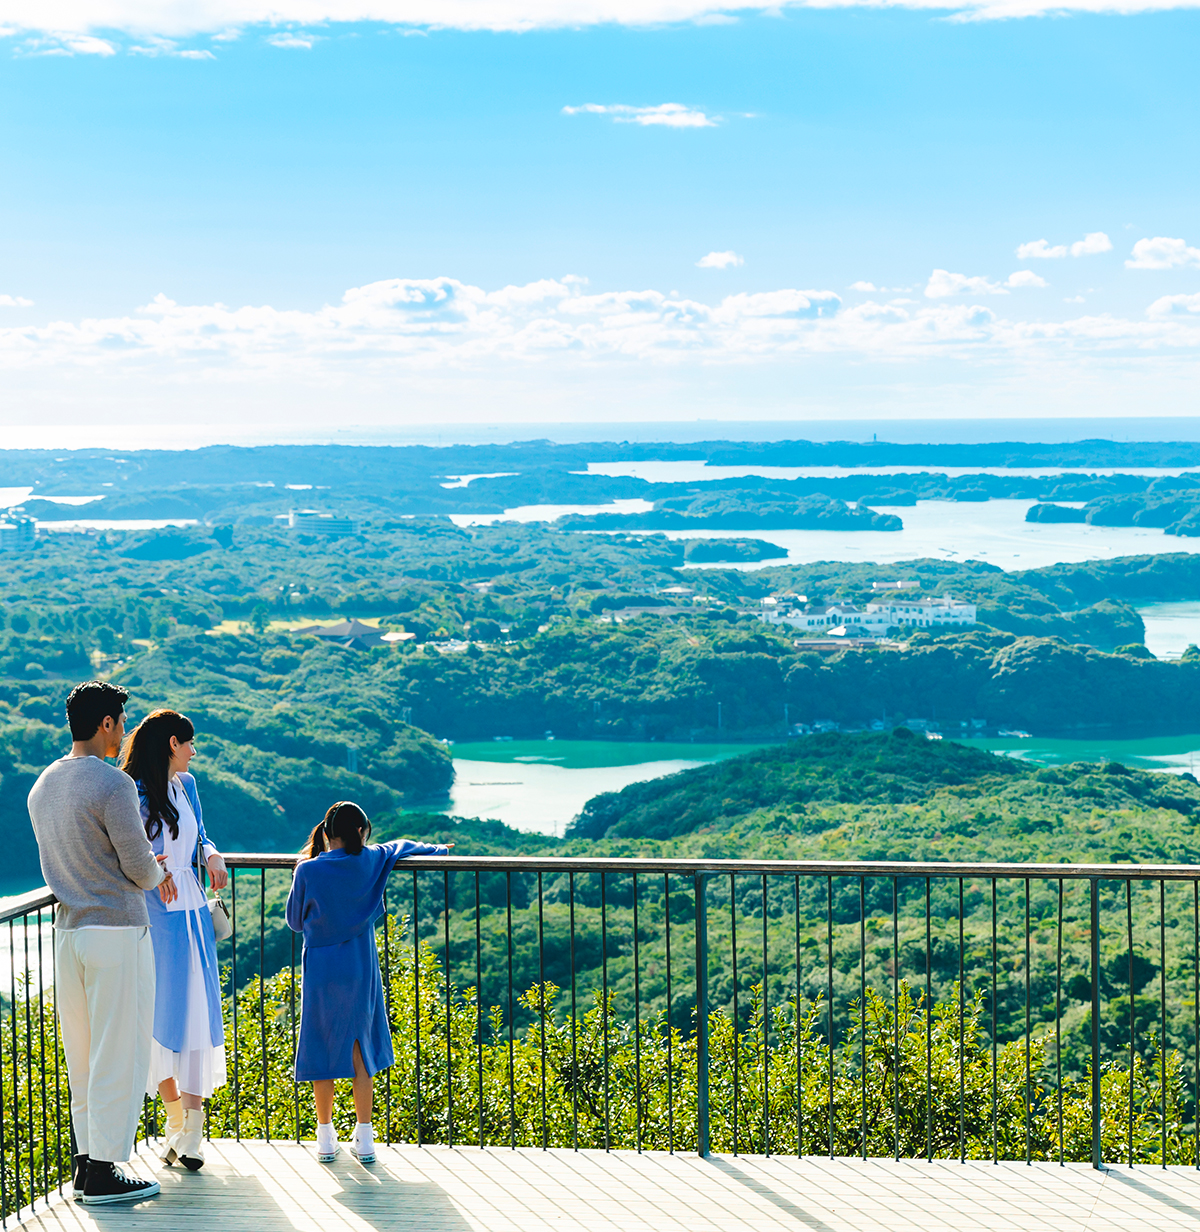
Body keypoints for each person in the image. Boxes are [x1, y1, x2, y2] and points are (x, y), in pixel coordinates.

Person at [27, 681, 176, 1206]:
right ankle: (105, 1170)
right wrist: (154, 871)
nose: (124, 733)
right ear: (107, 724)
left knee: (84, 1053)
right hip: (116, 931)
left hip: (69, 934)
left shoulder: (43, 786)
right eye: (121, 722)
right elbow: (136, 866)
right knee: (122, 1050)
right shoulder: (113, 785)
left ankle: (85, 1161)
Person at [285, 802, 451, 1164]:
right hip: (359, 964)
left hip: (321, 969)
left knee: (322, 1041)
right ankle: (365, 1140)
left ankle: (326, 1138)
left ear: (327, 833)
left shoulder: (308, 870)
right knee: (361, 1047)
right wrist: (437, 850)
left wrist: (304, 873)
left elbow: (296, 922)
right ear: (361, 833)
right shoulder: (372, 859)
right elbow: (401, 846)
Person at [120, 709, 228, 1172]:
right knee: (163, 1017)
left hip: (193, 911)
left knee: (199, 1015)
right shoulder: (135, 792)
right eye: (188, 743)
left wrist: (210, 852)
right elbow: (129, 850)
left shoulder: (188, 786)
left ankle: (191, 1133)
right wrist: (154, 867)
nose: (193, 751)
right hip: (158, 913)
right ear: (170, 744)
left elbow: (199, 832)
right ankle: (176, 1124)